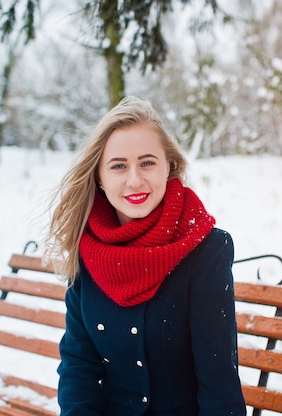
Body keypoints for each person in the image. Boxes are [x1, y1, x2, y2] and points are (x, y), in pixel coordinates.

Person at [45, 96, 246, 416]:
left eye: (148, 162)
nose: (134, 179)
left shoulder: (206, 250)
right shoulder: (88, 249)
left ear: (170, 167)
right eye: (119, 166)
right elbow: (79, 365)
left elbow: (218, 379)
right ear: (100, 176)